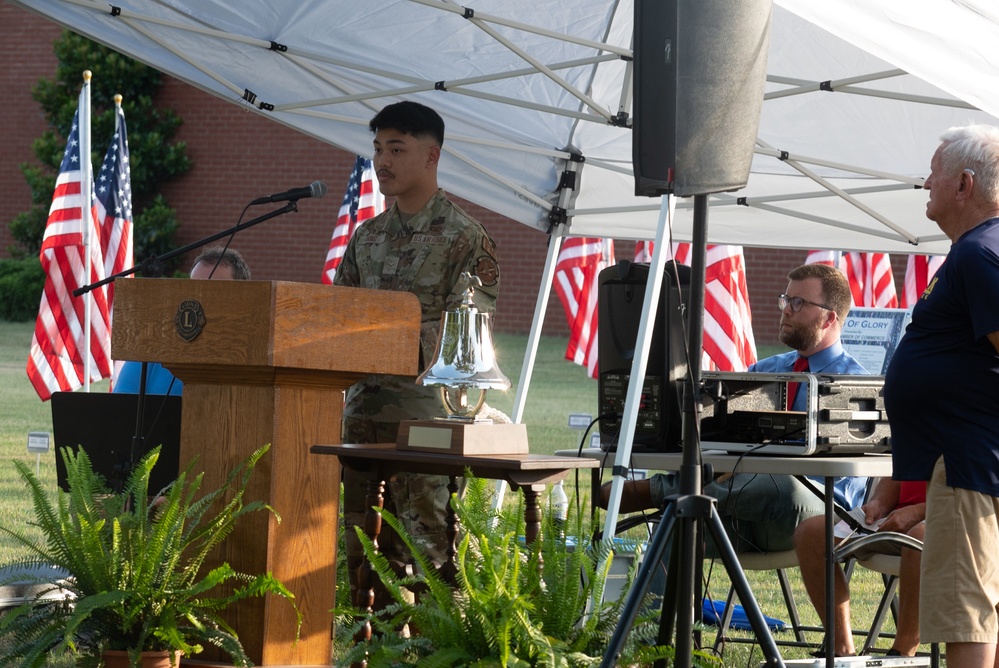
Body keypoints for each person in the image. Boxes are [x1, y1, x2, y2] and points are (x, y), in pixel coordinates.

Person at [332, 101, 501, 607]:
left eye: (397, 149)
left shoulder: (466, 238)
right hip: (363, 422)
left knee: (433, 568)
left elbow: (465, 335)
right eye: (378, 148)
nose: (382, 161)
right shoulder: (367, 238)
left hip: (428, 427)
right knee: (366, 564)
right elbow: (337, 318)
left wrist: (382, 336)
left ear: (431, 155)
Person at [599, 263, 868, 555]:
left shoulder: (857, 387)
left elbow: (843, 476)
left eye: (798, 302)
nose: (786, 309)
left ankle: (660, 491)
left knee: (781, 485)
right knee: (676, 527)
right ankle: (649, 601)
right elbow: (731, 439)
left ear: (829, 318)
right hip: (745, 512)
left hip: (817, 517)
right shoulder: (766, 371)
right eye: (785, 299)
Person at [884, 125, 999, 668]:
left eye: (934, 171)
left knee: (966, 610)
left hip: (967, 461)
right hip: (966, 458)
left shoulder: (980, 255)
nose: (924, 181)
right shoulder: (975, 252)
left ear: (964, 184)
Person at [794, 479, 926, 657]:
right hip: (894, 520)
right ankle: (841, 652)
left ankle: (902, 654)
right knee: (811, 533)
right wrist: (879, 503)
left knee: (919, 536)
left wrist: (918, 512)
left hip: (950, 519)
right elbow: (895, 475)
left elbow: (973, 494)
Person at [113, 246, 251, 395]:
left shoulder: (253, 354)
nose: (201, 297)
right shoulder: (152, 346)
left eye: (214, 290)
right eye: (194, 288)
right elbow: (121, 408)